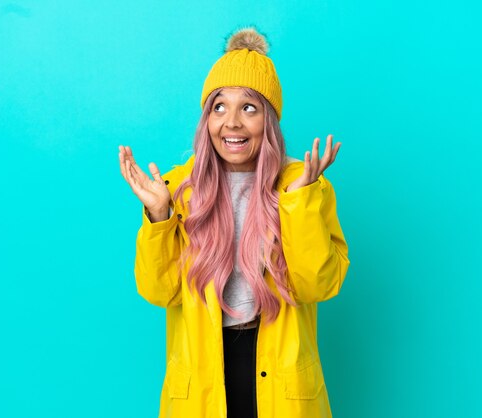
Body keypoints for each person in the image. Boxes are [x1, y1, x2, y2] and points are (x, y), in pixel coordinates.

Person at [118, 27, 349, 418]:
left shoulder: (304, 187)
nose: (233, 123)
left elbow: (318, 285)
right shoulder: (176, 189)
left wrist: (300, 203)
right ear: (206, 119)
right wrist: (159, 217)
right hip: (203, 379)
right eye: (219, 107)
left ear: (269, 121)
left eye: (249, 108)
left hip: (280, 377)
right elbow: (161, 293)